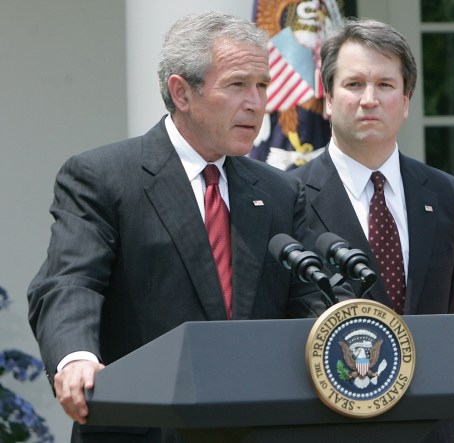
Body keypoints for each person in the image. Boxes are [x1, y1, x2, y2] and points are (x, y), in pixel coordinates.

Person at [27, 11, 341, 442]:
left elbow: (308, 302)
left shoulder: (281, 192)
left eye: (262, 86)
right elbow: (69, 282)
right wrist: (76, 357)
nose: (256, 102)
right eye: (236, 85)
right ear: (182, 92)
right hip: (143, 429)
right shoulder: (103, 177)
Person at [290, 18, 454, 442]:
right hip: (323, 428)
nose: (369, 99)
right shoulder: (286, 198)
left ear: (406, 101)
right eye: (354, 84)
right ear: (329, 100)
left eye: (386, 86)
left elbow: (444, 311)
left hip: (427, 426)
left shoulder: (451, 198)